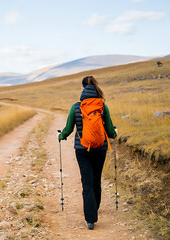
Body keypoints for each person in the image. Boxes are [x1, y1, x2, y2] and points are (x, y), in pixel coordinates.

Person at [58, 75, 117, 230]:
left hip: (82, 149)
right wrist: (115, 133)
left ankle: (90, 219)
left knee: (87, 182)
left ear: (83, 88)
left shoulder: (76, 107)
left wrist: (61, 136)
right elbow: (110, 131)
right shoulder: (102, 106)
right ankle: (94, 208)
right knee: (96, 180)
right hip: (100, 148)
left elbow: (69, 128)